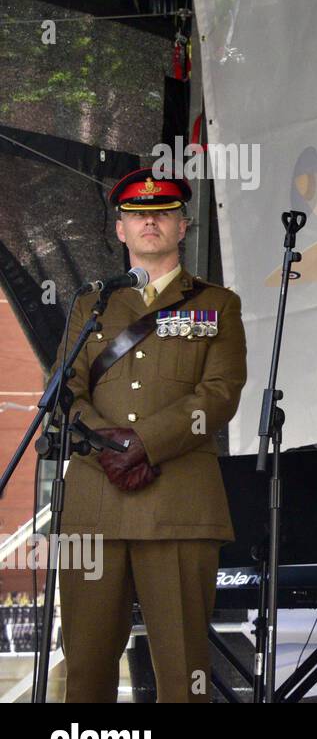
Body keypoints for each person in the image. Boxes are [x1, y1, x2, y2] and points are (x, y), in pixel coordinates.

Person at [61, 168, 247, 702]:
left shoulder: (217, 304)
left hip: (178, 505)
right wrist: (107, 443)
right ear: (119, 229)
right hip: (96, 504)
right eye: (137, 215)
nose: (150, 223)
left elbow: (219, 394)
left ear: (183, 226)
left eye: (162, 213)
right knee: (86, 671)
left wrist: (144, 444)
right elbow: (64, 394)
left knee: (184, 673)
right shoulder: (89, 304)